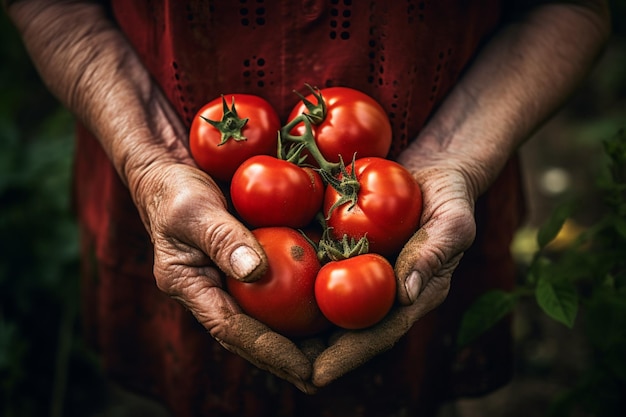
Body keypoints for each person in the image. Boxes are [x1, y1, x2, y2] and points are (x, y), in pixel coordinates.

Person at [5, 1, 610, 416]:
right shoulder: (330, 178)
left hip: (426, 176)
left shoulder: (310, 167)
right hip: (159, 161)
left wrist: (462, 154)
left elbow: (574, 6)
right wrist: (147, 161)